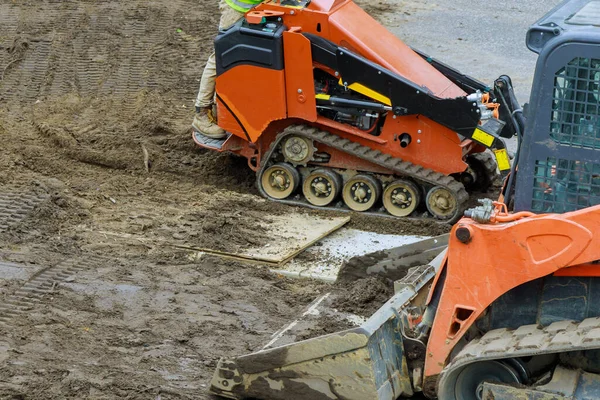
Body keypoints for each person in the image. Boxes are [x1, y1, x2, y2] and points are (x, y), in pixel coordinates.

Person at [193, 0, 264, 139]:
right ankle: (202, 112)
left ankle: (229, 109)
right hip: (238, 9)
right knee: (221, 56)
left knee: (248, 60)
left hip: (259, 7)